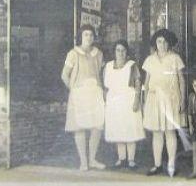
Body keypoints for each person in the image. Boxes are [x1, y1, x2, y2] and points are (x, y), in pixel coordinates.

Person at [61, 24, 106, 171]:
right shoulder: (73, 53)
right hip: (79, 95)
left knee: (97, 127)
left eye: (91, 35)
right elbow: (64, 76)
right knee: (79, 127)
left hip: (95, 94)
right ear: (81, 36)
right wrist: (74, 91)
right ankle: (83, 161)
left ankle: (92, 159)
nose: (89, 37)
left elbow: (101, 74)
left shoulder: (98, 54)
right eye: (86, 34)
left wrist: (102, 90)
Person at [142, 29, 186, 177]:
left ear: (170, 43)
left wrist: (182, 100)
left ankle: (171, 165)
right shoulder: (150, 59)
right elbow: (146, 82)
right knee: (157, 133)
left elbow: (181, 80)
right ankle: (157, 165)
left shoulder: (175, 58)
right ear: (155, 43)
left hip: (171, 99)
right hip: (154, 99)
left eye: (165, 42)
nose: (162, 44)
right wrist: (145, 101)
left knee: (170, 132)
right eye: (159, 41)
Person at [103, 40, 145, 169]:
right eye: (118, 50)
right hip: (114, 103)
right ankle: (121, 158)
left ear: (127, 52)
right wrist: (106, 102)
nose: (120, 53)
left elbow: (138, 84)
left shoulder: (132, 66)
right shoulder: (108, 66)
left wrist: (137, 101)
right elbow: (106, 87)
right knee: (118, 130)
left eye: (123, 50)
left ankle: (131, 159)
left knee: (130, 129)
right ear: (114, 52)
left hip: (129, 101)